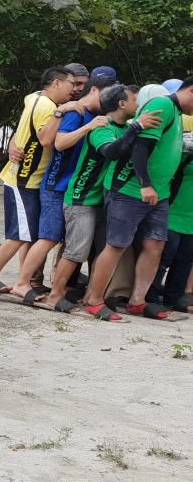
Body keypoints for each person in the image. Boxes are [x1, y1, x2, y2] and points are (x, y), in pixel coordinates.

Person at [83, 77, 193, 320]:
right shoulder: (162, 106)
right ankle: (94, 299)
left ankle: (137, 302)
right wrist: (145, 184)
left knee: (155, 245)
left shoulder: (174, 111)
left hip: (159, 193)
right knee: (117, 245)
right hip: (131, 190)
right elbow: (140, 147)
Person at [7, 73, 116, 302]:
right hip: (56, 185)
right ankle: (22, 282)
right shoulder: (75, 112)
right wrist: (87, 128)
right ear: (95, 90)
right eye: (107, 94)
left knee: (63, 239)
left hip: (71, 187)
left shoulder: (94, 114)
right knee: (49, 236)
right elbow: (58, 143)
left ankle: (57, 286)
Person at [39, 85, 149, 312]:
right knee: (76, 250)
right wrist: (137, 127)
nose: (137, 104)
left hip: (102, 199)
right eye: (134, 100)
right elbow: (111, 151)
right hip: (82, 197)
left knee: (100, 250)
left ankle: (91, 297)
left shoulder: (123, 127)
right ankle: (54, 296)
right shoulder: (102, 127)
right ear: (121, 103)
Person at [0, 67, 78, 293]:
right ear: (56, 83)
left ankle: (24, 282)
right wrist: (61, 112)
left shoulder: (34, 97)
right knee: (18, 234)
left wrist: (15, 141)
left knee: (27, 233)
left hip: (27, 179)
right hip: (22, 178)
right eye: (71, 84)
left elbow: (27, 127)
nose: (73, 90)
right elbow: (45, 139)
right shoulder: (48, 106)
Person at [148, 130, 193, 312]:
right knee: (164, 256)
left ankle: (174, 298)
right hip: (173, 212)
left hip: (190, 219)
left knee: (185, 259)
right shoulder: (186, 144)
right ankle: (149, 295)